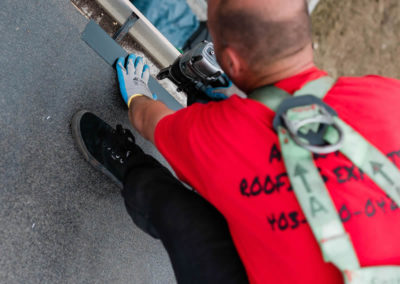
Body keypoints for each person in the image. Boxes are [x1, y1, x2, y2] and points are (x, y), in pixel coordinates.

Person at [72, 0, 400, 283]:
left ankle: (132, 168)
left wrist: (137, 97)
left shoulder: (220, 135)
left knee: (181, 219)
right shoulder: (389, 96)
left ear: (232, 62)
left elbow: (149, 120)